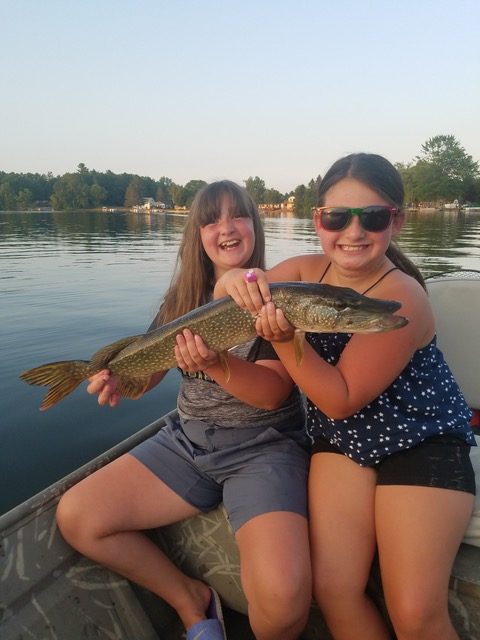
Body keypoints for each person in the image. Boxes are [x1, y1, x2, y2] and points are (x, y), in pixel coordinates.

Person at [215, 154, 476, 640]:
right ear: (319, 220)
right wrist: (232, 280)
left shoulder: (402, 298)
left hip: (421, 441)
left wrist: (282, 338)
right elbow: (239, 288)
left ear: (395, 220)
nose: (353, 232)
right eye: (338, 217)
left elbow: (340, 398)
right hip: (343, 444)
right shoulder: (300, 271)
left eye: (372, 217)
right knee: (334, 590)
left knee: (415, 613)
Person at [55, 180, 312, 640]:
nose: (227, 228)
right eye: (212, 219)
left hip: (264, 450)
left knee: (284, 602)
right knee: (77, 517)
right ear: (197, 235)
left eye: (238, 216)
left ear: (256, 226)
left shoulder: (276, 298)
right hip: (187, 442)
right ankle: (191, 601)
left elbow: (274, 394)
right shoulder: (182, 299)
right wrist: (116, 375)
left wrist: (215, 363)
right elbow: (147, 371)